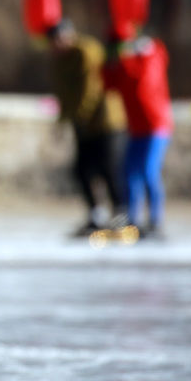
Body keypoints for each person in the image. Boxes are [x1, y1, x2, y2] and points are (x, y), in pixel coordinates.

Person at [46, 19, 128, 236]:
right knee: (81, 170)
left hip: (105, 120)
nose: (56, 46)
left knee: (108, 168)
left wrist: (78, 116)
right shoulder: (61, 60)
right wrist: (64, 119)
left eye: (58, 40)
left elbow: (90, 89)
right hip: (83, 122)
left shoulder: (86, 51)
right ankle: (97, 215)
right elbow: (66, 93)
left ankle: (122, 215)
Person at [102, 25, 174, 238]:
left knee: (148, 172)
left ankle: (155, 221)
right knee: (129, 173)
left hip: (155, 126)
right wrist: (108, 63)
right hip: (136, 129)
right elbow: (108, 86)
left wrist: (138, 53)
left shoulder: (149, 59)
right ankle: (132, 221)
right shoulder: (125, 67)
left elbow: (143, 85)